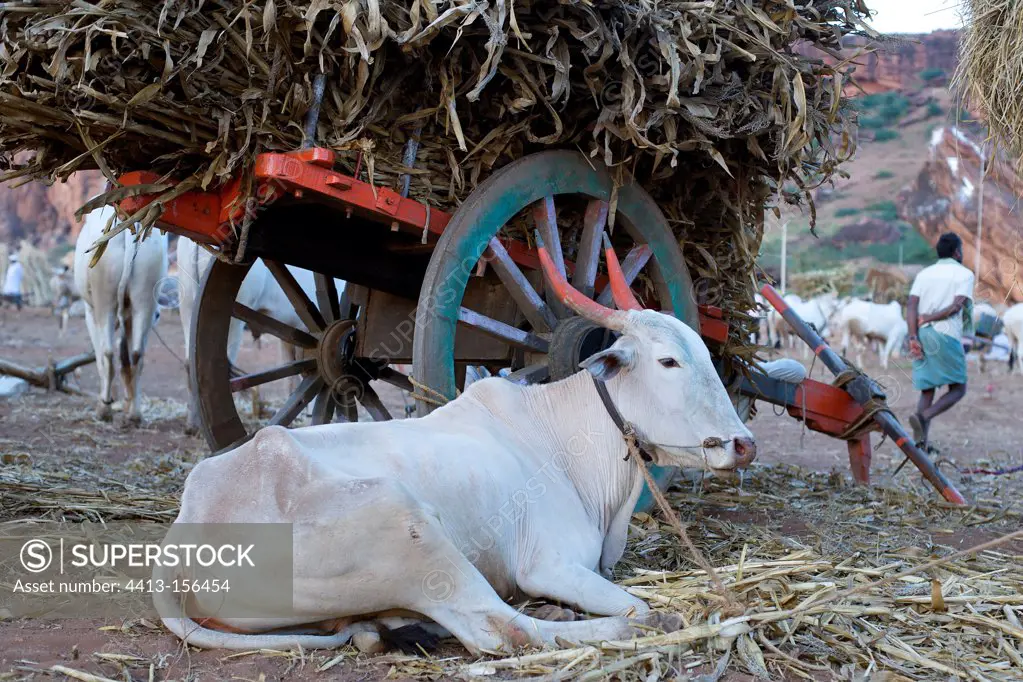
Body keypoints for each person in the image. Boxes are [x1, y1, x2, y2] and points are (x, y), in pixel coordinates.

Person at [906, 232, 975, 446]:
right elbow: (956, 307)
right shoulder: (964, 274)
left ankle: (921, 446)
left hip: (922, 334)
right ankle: (923, 417)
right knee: (958, 388)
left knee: (928, 388)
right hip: (945, 334)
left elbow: (911, 305)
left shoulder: (924, 274)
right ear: (956, 252)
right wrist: (931, 317)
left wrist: (912, 336)